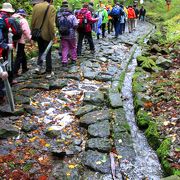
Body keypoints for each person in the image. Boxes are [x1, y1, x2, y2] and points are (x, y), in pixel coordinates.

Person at [31, 0, 56, 78]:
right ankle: (48, 71)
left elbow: (32, 22)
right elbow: (51, 24)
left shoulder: (36, 6)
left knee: (41, 50)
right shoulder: (51, 7)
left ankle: (39, 67)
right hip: (47, 34)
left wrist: (32, 34)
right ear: (51, 0)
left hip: (37, 33)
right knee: (47, 52)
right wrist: (53, 36)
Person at [56, 1, 78, 67]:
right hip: (71, 35)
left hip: (63, 34)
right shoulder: (72, 17)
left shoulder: (61, 17)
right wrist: (74, 28)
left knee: (64, 48)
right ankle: (73, 59)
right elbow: (75, 24)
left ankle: (64, 61)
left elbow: (59, 25)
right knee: (73, 47)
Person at [0, 3, 15, 103]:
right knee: (2, 72)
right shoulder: (4, 21)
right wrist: (6, 45)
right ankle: (1, 96)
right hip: (1, 50)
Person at [12, 9, 32, 77]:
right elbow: (26, 31)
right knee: (19, 56)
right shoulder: (23, 20)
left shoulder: (12, 18)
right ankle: (15, 72)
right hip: (20, 40)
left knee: (21, 53)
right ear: (23, 15)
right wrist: (30, 39)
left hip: (13, 39)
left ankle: (24, 67)